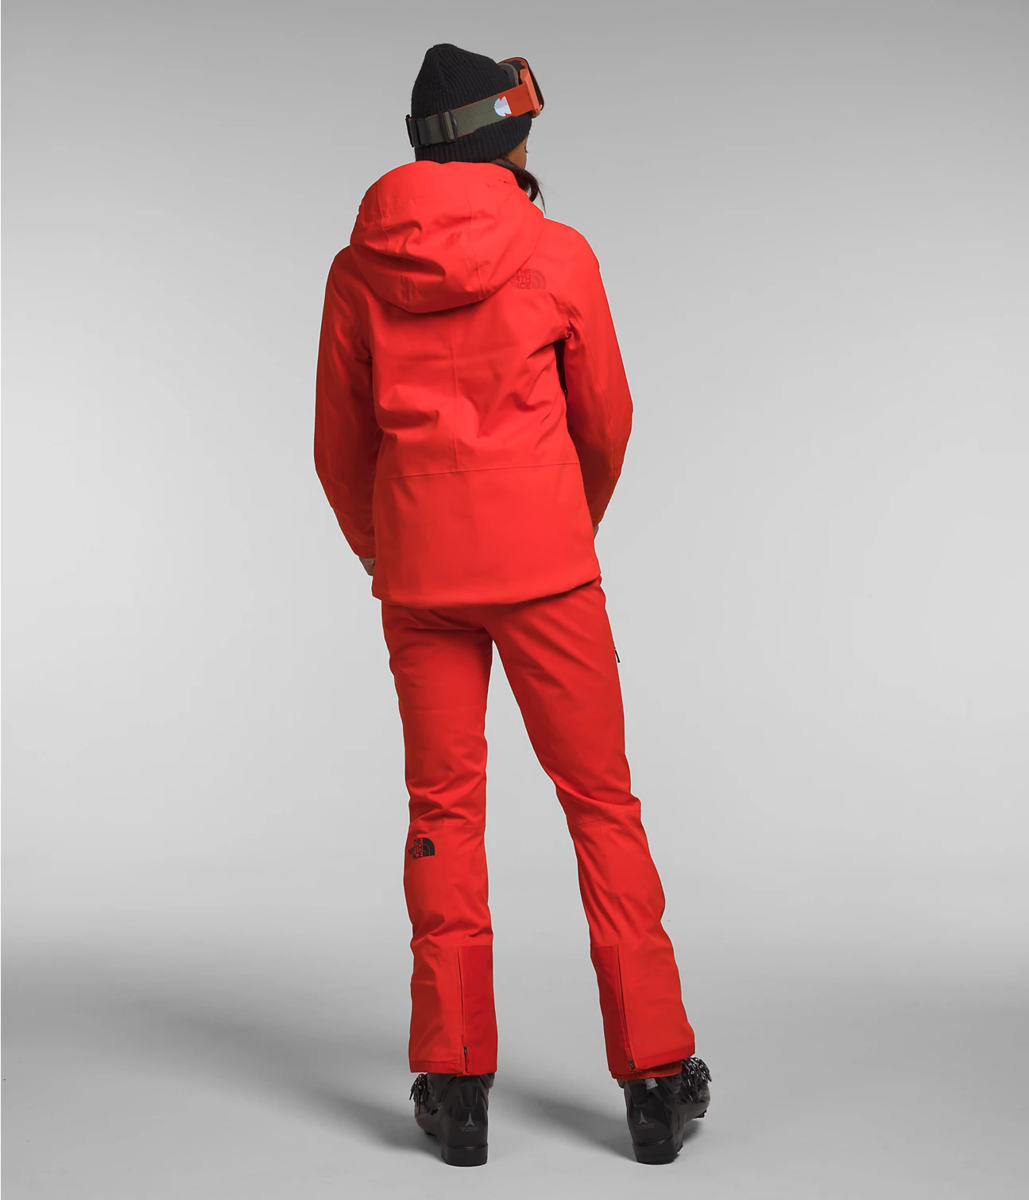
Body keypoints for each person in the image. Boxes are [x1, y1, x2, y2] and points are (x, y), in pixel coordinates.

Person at [314, 42, 710, 1167]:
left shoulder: (356, 269)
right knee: (601, 806)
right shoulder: (555, 252)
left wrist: (389, 546)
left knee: (442, 813)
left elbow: (338, 445)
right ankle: (654, 1081)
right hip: (547, 570)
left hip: (421, 576)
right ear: (510, 138)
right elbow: (607, 421)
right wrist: (560, 522)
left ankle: (453, 1091)